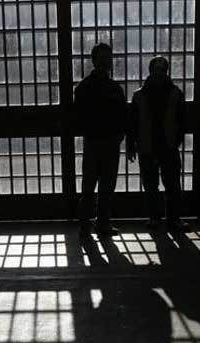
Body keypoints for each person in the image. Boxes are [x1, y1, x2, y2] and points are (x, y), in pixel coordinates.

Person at [127, 56, 189, 231]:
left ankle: (169, 218)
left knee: (171, 185)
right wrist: (131, 144)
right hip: (153, 145)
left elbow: (182, 121)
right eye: (157, 69)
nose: (159, 72)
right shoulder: (174, 93)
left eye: (162, 69)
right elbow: (132, 123)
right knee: (153, 185)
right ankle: (160, 218)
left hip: (164, 144)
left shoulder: (140, 95)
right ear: (151, 71)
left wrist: (177, 141)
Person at [75, 43, 127, 236]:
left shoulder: (86, 87)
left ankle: (92, 223)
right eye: (103, 58)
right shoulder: (110, 88)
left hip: (105, 141)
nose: (106, 61)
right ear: (94, 61)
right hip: (98, 141)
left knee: (104, 184)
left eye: (108, 57)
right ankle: (93, 223)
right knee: (94, 184)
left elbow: (123, 116)